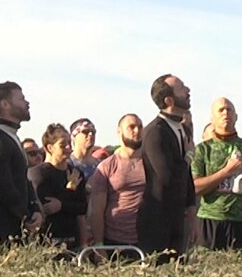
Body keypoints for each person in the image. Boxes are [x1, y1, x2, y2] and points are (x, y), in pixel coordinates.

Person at [191, 98, 242, 252]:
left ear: (236, 116)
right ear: (212, 118)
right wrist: (226, 172)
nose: (226, 113)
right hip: (209, 221)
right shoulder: (203, 150)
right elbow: (195, 187)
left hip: (239, 222)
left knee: (238, 273)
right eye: (221, 110)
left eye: (229, 110)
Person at [0, 81, 42, 254]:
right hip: (1, 229)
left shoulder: (9, 137)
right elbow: (3, 185)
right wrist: (25, 217)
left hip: (14, 225)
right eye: (21, 99)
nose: (27, 103)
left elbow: (22, 179)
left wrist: (35, 208)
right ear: (5, 104)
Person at [137, 74, 196, 260]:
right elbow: (167, 176)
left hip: (178, 218)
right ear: (169, 99)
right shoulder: (155, 132)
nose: (188, 91)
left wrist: (191, 212)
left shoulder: (182, 129)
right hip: (157, 220)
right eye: (182, 88)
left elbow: (186, 178)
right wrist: (189, 156)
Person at [87, 114, 145, 251]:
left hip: (146, 239)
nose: (137, 130)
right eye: (131, 127)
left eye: (140, 127)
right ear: (119, 131)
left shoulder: (152, 164)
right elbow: (97, 210)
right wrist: (99, 245)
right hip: (114, 241)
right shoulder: (107, 166)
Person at [28, 123, 89, 251]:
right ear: (50, 147)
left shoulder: (75, 173)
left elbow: (82, 208)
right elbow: (47, 207)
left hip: (73, 239)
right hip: (47, 242)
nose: (68, 148)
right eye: (62, 145)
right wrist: (69, 190)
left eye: (69, 144)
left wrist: (84, 244)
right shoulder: (38, 173)